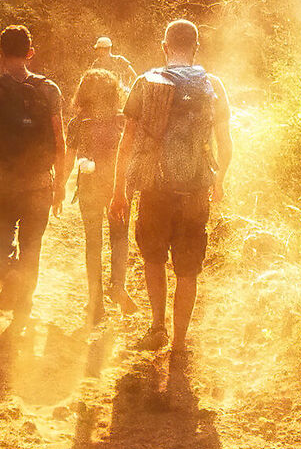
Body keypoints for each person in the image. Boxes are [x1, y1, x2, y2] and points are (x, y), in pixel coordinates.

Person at [110, 18, 232, 355]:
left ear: (165, 47)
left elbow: (128, 141)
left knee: (153, 258)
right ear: (196, 47)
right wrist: (218, 182)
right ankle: (180, 342)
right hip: (195, 191)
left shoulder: (147, 82)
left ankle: (157, 327)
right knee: (188, 267)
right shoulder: (214, 85)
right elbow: (225, 142)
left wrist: (120, 190)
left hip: (155, 189)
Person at [0, 24, 68, 334]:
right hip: (40, 183)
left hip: (2, 182)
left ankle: (8, 269)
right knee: (32, 246)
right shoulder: (49, 89)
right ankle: (23, 310)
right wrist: (61, 184)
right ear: (31, 52)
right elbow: (60, 141)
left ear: (0, 53)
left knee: (2, 236)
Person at [67, 66, 131, 326]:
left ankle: (96, 304)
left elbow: (69, 157)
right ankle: (118, 285)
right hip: (118, 185)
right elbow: (130, 154)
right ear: (114, 92)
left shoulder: (78, 122)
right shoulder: (122, 120)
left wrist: (59, 186)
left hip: (90, 185)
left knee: (92, 243)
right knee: (120, 237)